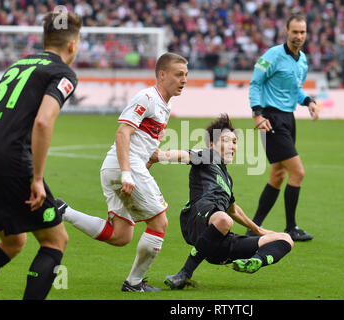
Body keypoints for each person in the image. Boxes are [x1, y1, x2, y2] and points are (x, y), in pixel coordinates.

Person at [59, 52, 188, 292]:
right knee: (159, 222)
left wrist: (150, 163)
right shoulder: (147, 97)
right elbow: (122, 133)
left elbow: (146, 145)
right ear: (162, 74)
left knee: (120, 236)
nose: (184, 80)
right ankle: (134, 283)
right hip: (124, 166)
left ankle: (64, 211)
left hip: (116, 167)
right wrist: (128, 173)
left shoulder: (164, 105)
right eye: (178, 74)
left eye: (186, 75)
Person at [0, 12, 82, 300]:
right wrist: (37, 178)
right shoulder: (63, 73)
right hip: (11, 159)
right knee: (56, 240)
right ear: (72, 45)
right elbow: (43, 121)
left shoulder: (19, 64)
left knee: (14, 241)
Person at [155, 114, 294, 289]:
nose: (232, 146)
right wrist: (159, 155)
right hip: (197, 219)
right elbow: (183, 155)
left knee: (285, 239)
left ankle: (254, 262)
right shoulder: (207, 156)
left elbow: (233, 210)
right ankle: (184, 274)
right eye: (226, 141)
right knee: (224, 220)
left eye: (234, 142)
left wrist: (258, 229)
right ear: (212, 144)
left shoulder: (227, 180)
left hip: (218, 240)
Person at [247, 14, 318, 241]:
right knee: (298, 172)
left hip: (288, 118)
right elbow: (255, 83)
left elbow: (296, 90)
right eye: (295, 32)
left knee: (278, 175)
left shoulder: (303, 60)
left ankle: (254, 226)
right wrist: (257, 115)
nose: (299, 36)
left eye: (302, 32)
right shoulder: (271, 56)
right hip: (271, 119)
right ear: (286, 32)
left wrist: (309, 102)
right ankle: (291, 227)